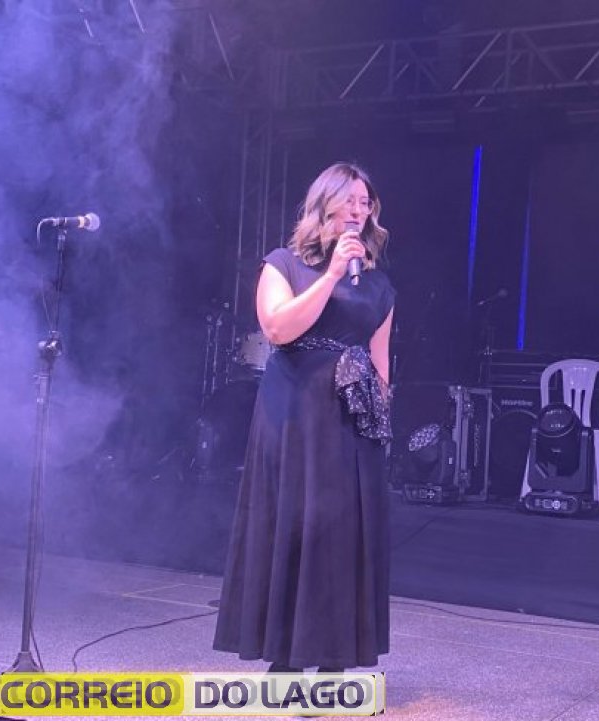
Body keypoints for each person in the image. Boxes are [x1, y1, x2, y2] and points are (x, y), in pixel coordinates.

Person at [213, 162, 395, 673]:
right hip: (293, 412)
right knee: (294, 524)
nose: (358, 211)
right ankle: (286, 659)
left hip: (350, 420)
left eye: (366, 203)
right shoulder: (284, 265)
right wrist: (332, 274)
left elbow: (382, 362)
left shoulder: (379, 286)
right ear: (324, 204)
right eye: (349, 200)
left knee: (340, 532)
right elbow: (277, 329)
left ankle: (334, 659)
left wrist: (380, 420)